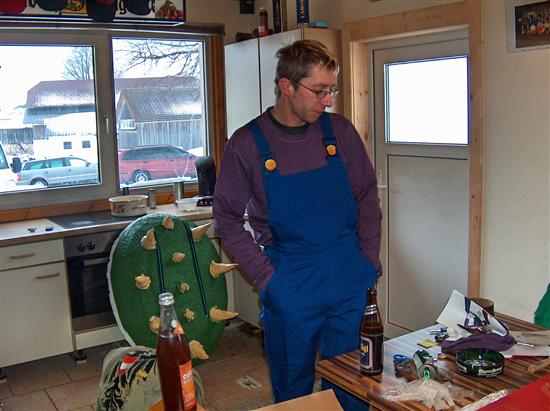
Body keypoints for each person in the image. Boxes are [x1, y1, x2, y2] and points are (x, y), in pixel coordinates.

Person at [213, 39, 382, 409]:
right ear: (286, 85)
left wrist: (368, 261)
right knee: (293, 387)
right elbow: (225, 218)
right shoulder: (247, 144)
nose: (328, 101)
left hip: (349, 273)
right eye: (319, 91)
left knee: (354, 381)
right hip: (291, 279)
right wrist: (267, 277)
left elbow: (367, 197)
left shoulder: (340, 132)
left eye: (331, 90)